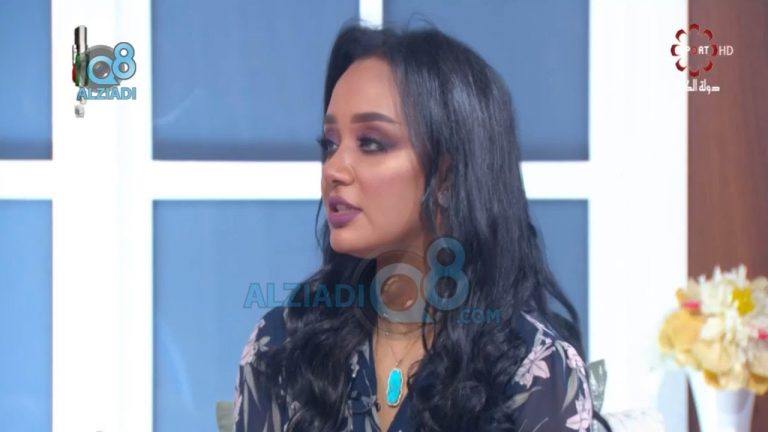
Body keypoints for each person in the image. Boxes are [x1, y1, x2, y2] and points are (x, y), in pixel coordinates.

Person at [233, 22, 602, 432]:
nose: (334, 169)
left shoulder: (536, 368)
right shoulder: (281, 347)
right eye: (330, 144)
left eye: (371, 143)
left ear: (446, 176)